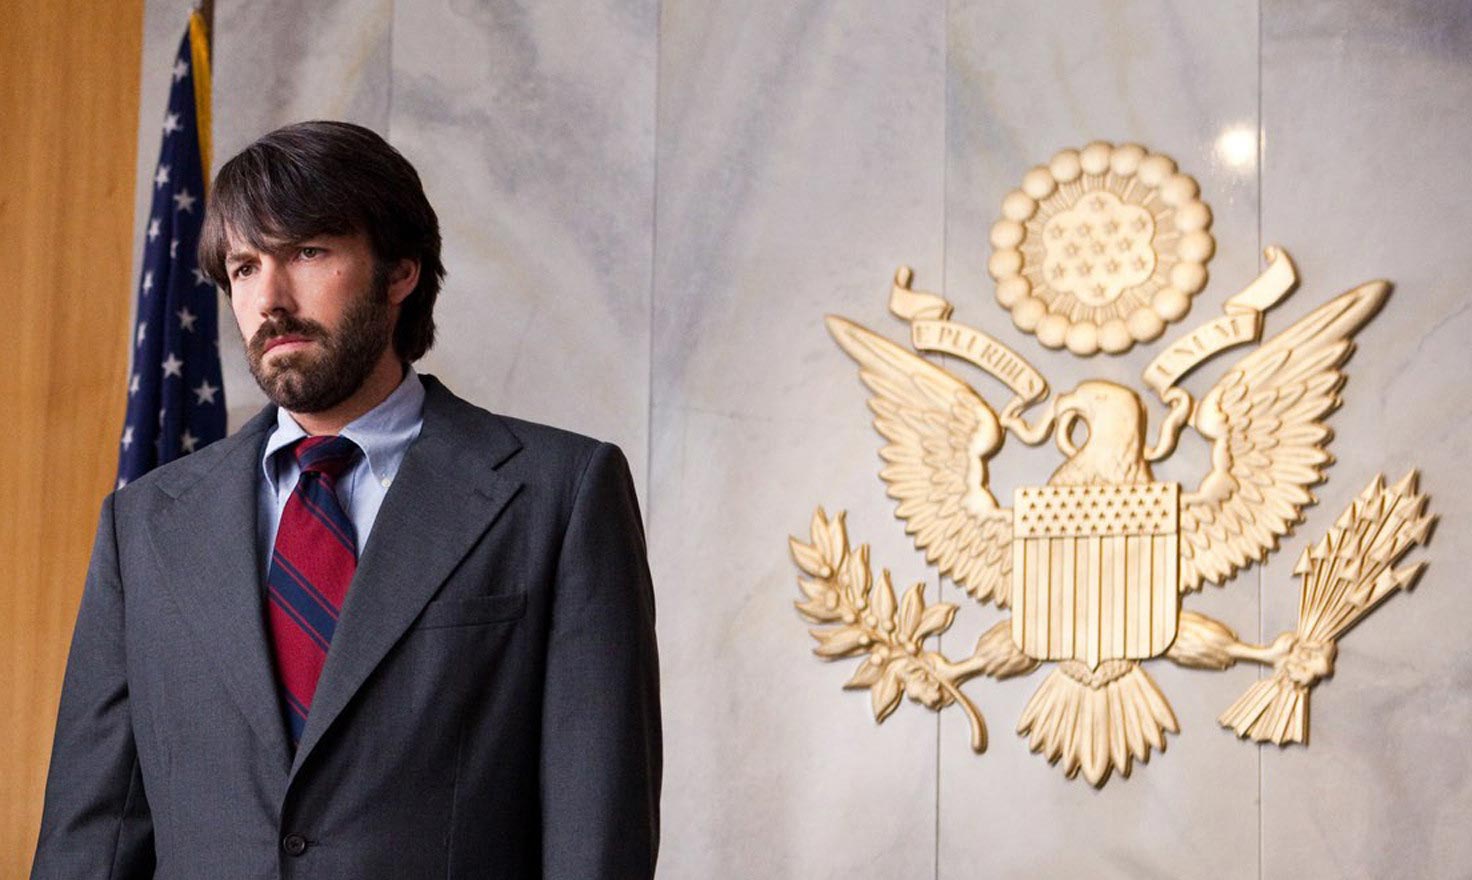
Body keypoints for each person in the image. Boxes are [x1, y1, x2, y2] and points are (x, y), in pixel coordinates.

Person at [32, 121, 662, 879]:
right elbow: (91, 839)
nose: (270, 300)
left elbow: (598, 832)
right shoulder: (143, 525)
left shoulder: (561, 495)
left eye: (307, 252)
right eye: (244, 267)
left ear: (400, 272)